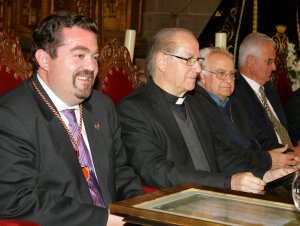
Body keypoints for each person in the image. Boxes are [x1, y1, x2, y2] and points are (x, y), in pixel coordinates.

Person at [0, 11, 144, 226]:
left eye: (95, 57)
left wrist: (143, 212)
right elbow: (15, 199)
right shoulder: (11, 115)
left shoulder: (102, 107)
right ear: (44, 59)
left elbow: (120, 172)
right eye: (79, 55)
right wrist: (103, 220)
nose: (91, 67)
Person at [117, 28, 293, 194]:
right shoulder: (133, 109)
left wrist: (264, 176)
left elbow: (220, 155)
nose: (198, 69)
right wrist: (228, 182)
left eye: (198, 61)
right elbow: (158, 171)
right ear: (162, 61)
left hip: (214, 197)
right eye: (189, 60)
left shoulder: (197, 103)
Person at [194, 47, 298, 172]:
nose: (229, 80)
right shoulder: (196, 107)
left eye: (232, 74)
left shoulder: (233, 103)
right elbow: (226, 156)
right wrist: (268, 160)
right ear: (202, 76)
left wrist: (290, 154)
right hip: (232, 178)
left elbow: (260, 140)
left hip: (257, 167)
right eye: (221, 73)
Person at [233, 32, 300, 147]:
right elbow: (254, 141)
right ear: (250, 61)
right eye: (269, 61)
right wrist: (290, 151)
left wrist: (297, 141)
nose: (274, 67)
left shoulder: (268, 89)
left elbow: (284, 130)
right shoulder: (235, 94)